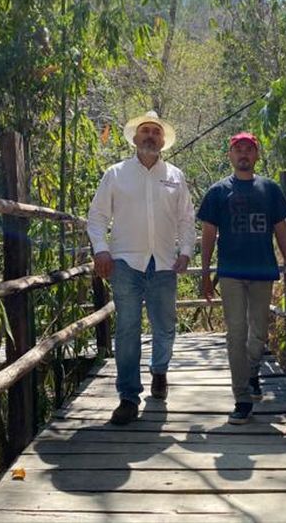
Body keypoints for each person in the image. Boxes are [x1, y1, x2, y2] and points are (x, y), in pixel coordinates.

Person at [87, 111, 195, 425]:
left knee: (166, 326)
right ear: (135, 138)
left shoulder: (175, 176)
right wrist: (101, 249)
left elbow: (186, 219)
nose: (150, 136)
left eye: (155, 132)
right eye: (145, 131)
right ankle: (128, 397)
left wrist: (186, 252)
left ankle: (159, 370)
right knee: (127, 329)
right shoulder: (116, 174)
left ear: (162, 141)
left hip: (164, 263)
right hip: (124, 263)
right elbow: (97, 217)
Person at [197, 132, 286, 424]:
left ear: (256, 155)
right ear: (230, 155)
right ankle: (241, 397)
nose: (243, 154)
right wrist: (205, 273)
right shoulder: (218, 192)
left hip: (262, 269)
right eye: (238, 149)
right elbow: (208, 234)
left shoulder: (270, 189)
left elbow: (281, 228)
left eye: (249, 149)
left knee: (259, 333)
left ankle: (252, 371)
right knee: (236, 333)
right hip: (230, 272)